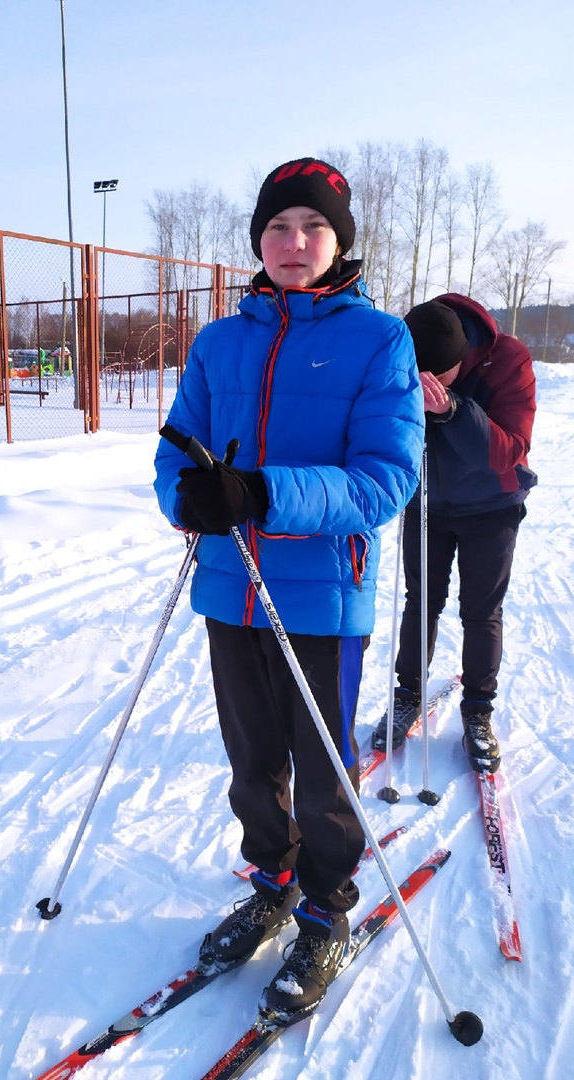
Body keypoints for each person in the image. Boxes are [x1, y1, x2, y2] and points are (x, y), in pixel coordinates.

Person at [153, 157, 425, 1024]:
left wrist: (263, 491)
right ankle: (270, 881)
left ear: (340, 240)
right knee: (251, 758)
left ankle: (324, 912)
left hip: (321, 596)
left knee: (322, 766)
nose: (293, 242)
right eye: (277, 227)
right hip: (229, 589)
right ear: (258, 241)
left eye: (312, 226)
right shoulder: (218, 341)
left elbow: (385, 480)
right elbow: (176, 450)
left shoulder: (379, 339)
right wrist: (187, 497)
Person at [371, 296, 537, 773]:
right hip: (429, 505)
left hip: (492, 506)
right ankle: (408, 695)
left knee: (481, 611)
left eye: (435, 377)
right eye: (413, 377)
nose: (422, 388)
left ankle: (478, 710)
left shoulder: (509, 360)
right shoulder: (404, 356)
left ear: (460, 361)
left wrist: (452, 411)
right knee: (420, 599)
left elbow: (511, 450)